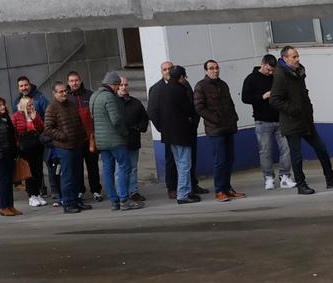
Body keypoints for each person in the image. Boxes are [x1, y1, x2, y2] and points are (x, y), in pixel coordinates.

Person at [269, 47, 333, 194]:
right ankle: (301, 184)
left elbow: (302, 95)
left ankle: (330, 178)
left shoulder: (298, 72)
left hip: (305, 120)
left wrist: (307, 110)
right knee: (297, 155)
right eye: (293, 57)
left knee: (321, 148)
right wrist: (293, 110)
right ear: (285, 59)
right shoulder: (280, 75)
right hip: (292, 122)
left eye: (297, 56)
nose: (297, 59)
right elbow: (274, 100)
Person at [148, 66, 199, 204]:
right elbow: (188, 109)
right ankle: (183, 194)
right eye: (184, 77)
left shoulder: (162, 90)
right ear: (180, 77)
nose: (185, 79)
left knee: (178, 162)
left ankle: (184, 191)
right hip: (181, 133)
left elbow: (155, 112)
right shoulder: (179, 90)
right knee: (184, 164)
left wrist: (162, 129)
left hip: (169, 134)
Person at [193, 60, 243, 201]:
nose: (215, 71)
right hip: (215, 129)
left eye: (216, 68)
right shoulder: (201, 86)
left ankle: (227, 188)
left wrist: (234, 118)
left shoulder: (223, 84)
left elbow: (230, 103)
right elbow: (199, 107)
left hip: (228, 127)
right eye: (211, 68)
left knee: (229, 159)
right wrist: (215, 119)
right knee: (220, 160)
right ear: (206, 71)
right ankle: (219, 190)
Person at [240, 54, 291, 191]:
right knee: (265, 151)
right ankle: (268, 177)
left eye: (272, 70)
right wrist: (262, 96)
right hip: (262, 121)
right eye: (268, 70)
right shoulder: (251, 79)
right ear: (262, 64)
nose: (270, 73)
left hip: (280, 119)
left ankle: (285, 176)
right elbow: (245, 98)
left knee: (287, 148)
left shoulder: (276, 77)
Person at [92, 72, 141, 211]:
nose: (117, 88)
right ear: (112, 84)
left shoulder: (94, 96)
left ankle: (114, 201)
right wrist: (125, 133)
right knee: (124, 168)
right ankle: (124, 200)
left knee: (107, 170)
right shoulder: (109, 97)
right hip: (115, 140)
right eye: (117, 85)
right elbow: (116, 120)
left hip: (101, 141)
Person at [44, 82, 88, 213]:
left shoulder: (72, 104)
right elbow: (48, 128)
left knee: (77, 175)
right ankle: (68, 203)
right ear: (54, 94)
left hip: (77, 144)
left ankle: (76, 200)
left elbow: (78, 122)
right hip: (64, 147)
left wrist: (82, 136)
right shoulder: (52, 108)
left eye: (65, 91)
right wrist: (63, 136)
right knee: (67, 177)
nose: (64, 93)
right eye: (60, 92)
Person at [10, 90, 47, 208]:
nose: (31, 106)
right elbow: (13, 132)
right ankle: (31, 195)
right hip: (24, 146)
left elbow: (41, 128)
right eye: (29, 104)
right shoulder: (16, 116)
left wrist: (35, 117)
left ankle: (37, 193)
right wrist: (16, 146)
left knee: (38, 170)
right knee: (29, 171)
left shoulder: (35, 114)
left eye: (32, 104)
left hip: (36, 145)